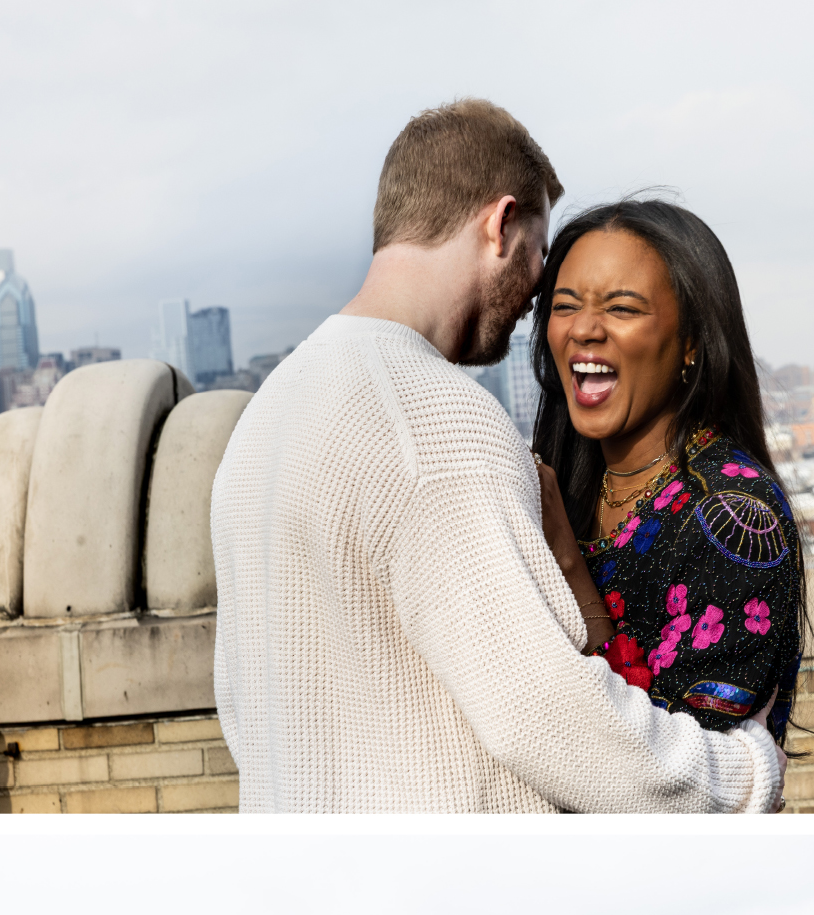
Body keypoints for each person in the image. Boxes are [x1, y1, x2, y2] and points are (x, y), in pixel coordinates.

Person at [212, 100, 784, 813]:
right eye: (541, 255)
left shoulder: (267, 415)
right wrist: (740, 779)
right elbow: (545, 712)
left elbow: (243, 707)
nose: (539, 298)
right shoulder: (433, 419)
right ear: (501, 224)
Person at [531, 200, 807, 753]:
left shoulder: (732, 515)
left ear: (691, 343)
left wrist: (567, 565)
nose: (585, 329)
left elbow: (688, 777)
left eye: (623, 309)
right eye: (565, 306)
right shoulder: (569, 483)